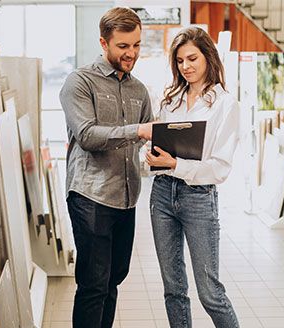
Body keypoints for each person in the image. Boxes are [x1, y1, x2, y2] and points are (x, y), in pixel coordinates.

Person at [59, 7, 154, 328]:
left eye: (137, 45)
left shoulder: (138, 90)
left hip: (126, 197)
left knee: (114, 279)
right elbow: (86, 135)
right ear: (104, 43)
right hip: (91, 196)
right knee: (94, 284)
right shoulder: (80, 82)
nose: (132, 54)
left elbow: (147, 134)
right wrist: (137, 132)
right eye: (123, 46)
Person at [145, 27, 240, 328]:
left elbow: (220, 168)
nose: (185, 67)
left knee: (210, 292)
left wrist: (177, 164)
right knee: (173, 289)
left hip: (198, 197)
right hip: (161, 193)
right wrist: (151, 157)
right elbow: (157, 144)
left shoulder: (225, 105)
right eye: (179, 61)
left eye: (192, 59)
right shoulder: (169, 100)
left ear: (208, 57)